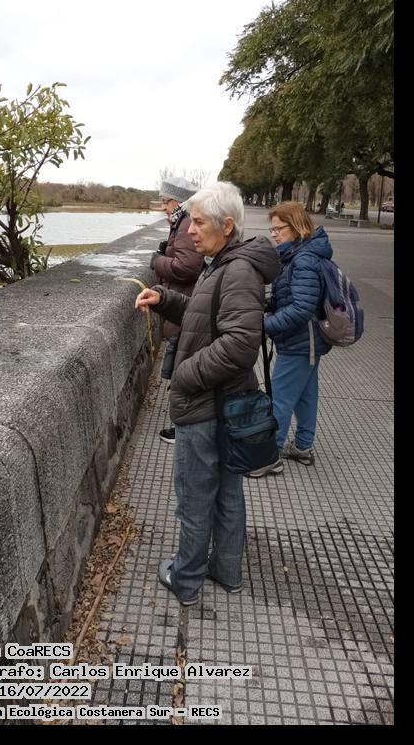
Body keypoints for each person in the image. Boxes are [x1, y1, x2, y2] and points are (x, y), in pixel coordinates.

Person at [135, 182, 280, 605]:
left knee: (196, 498)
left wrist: (184, 375)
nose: (190, 230)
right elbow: (206, 316)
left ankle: (186, 579)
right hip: (223, 403)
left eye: (199, 223)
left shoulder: (237, 271)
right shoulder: (224, 263)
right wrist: (164, 298)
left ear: (226, 225)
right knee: (227, 494)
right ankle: (226, 571)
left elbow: (239, 344)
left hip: (206, 406)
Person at [260, 201, 333, 474]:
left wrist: (266, 324)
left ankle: (269, 456)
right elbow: (297, 298)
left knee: (280, 396)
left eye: (278, 228)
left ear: (296, 227)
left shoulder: (302, 260)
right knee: (305, 395)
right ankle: (302, 446)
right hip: (309, 341)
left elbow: (302, 308)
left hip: (300, 341)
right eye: (272, 229)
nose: (274, 234)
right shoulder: (301, 254)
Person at [150, 177, 204, 444]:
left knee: (183, 368)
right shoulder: (182, 221)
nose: (163, 207)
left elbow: (187, 267)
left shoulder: (184, 224)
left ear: (178, 201)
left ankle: (182, 428)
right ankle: (182, 425)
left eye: (165, 201)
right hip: (186, 301)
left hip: (185, 302)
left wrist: (158, 261)